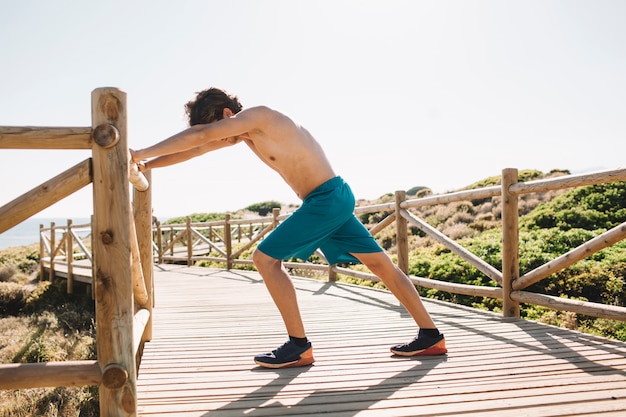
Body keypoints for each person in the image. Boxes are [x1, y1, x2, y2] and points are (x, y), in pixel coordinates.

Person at [131, 87, 447, 369]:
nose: (219, 138)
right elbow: (198, 147)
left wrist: (139, 152)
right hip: (329, 199)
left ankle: (298, 346)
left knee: (264, 259)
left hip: (326, 199)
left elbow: (200, 137)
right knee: (382, 266)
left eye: (217, 128)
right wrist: (148, 164)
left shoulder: (260, 116)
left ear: (228, 114)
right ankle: (431, 335)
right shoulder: (247, 134)